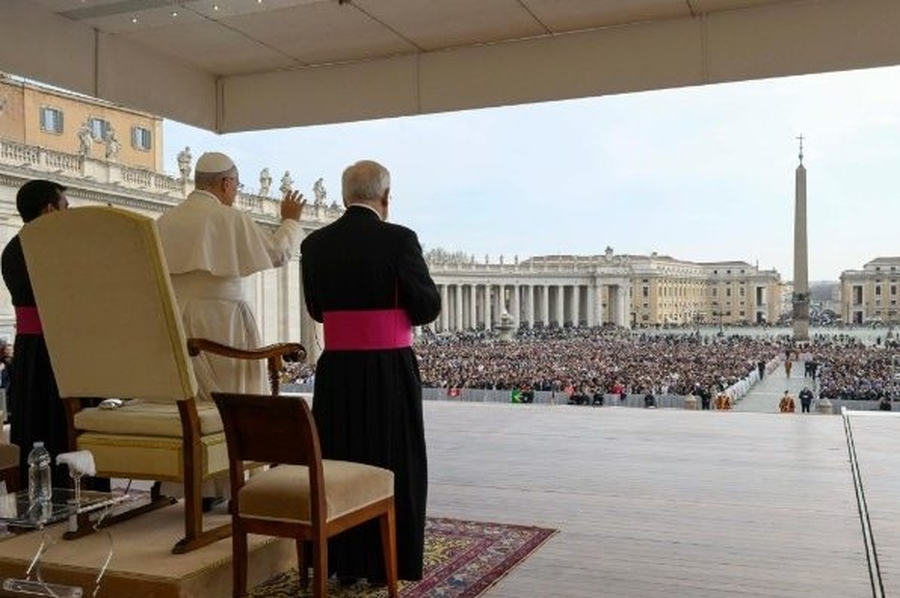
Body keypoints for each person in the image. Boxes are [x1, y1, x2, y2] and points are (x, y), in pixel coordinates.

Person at [300, 159, 441, 583]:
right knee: (394, 461)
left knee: (341, 458)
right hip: (388, 372)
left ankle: (343, 560)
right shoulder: (400, 240)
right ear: (385, 197)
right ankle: (387, 563)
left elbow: (316, 310)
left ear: (344, 198)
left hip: (338, 372)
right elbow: (427, 306)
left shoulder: (315, 244)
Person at [156, 151, 305, 402]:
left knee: (189, 398)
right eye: (236, 184)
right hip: (224, 321)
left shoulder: (165, 220)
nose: (236, 191)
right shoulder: (230, 218)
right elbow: (276, 254)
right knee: (233, 397)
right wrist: (290, 221)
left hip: (175, 320)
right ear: (226, 184)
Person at [0, 180, 71, 488]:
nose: (69, 215)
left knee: (33, 420)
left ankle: (33, 487)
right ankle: (68, 487)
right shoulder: (51, 247)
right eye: (65, 207)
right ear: (49, 209)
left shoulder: (13, 246)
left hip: (29, 347)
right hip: (57, 346)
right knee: (59, 422)